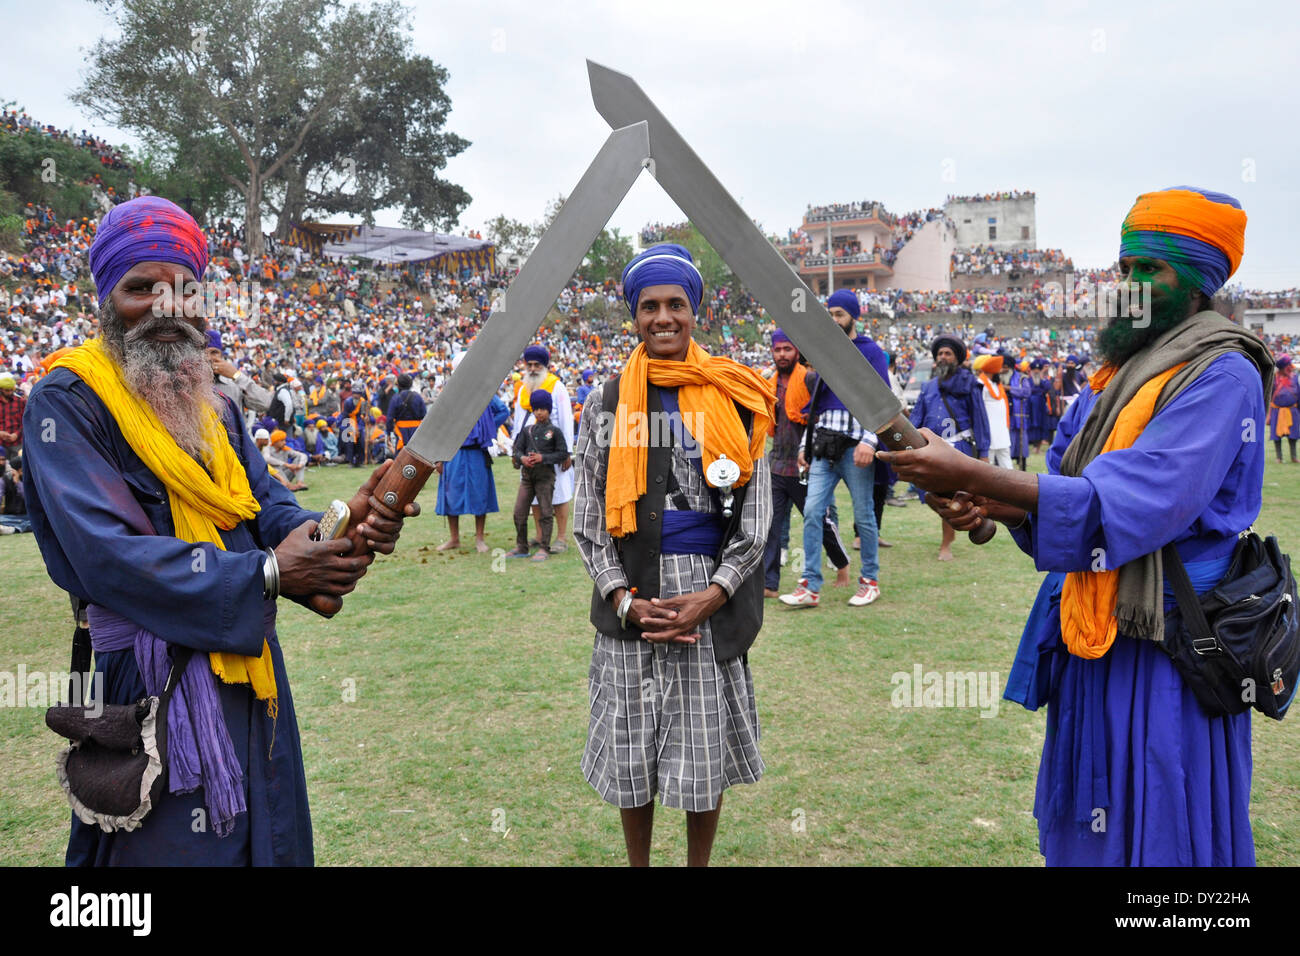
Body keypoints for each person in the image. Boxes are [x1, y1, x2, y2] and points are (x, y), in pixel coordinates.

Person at [880, 186, 1269, 866]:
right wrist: (989, 504)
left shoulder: (1224, 373)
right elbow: (1064, 483)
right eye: (1125, 268)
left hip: (1171, 643)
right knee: (1092, 830)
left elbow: (1134, 503)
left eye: (1153, 270)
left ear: (1200, 284)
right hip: (1097, 629)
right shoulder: (1112, 376)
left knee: (1166, 822)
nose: (1131, 285)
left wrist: (972, 475)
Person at [21, 195, 416, 866]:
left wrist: (338, 526)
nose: (166, 305)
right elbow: (108, 557)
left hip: (248, 674)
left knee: (263, 844)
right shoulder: (68, 401)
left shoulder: (213, 405)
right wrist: (268, 574)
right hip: (150, 682)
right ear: (105, 299)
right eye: (141, 287)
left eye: (184, 288)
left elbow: (267, 509)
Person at [573, 243, 773, 867]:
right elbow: (586, 517)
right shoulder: (608, 403)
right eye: (650, 306)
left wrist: (713, 596)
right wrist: (623, 600)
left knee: (701, 751)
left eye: (676, 305)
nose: (664, 318)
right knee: (632, 752)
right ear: (633, 316)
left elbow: (756, 514)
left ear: (695, 312)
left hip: (708, 598)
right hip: (633, 593)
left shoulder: (738, 396)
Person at [779, 290, 887, 609]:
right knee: (812, 511)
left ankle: (870, 580)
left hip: (856, 447)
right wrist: (805, 444)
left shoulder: (871, 352)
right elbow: (818, 406)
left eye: (840, 314)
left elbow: (881, 399)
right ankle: (810, 585)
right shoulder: (824, 352)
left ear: (854, 316)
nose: (834, 320)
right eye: (830, 314)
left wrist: (870, 441)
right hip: (824, 446)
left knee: (864, 515)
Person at [762, 328, 850, 598]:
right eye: (777, 350)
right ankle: (769, 584)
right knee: (771, 525)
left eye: (787, 349)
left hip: (805, 466)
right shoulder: (770, 383)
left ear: (797, 351)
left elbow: (823, 417)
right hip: (776, 465)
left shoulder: (810, 379)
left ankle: (842, 565)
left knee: (818, 520)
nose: (782, 354)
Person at [909, 335, 989, 561]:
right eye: (940, 354)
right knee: (933, 496)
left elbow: (980, 420)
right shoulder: (928, 387)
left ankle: (947, 543)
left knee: (949, 495)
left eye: (947, 354)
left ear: (956, 358)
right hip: (931, 451)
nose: (943, 357)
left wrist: (983, 454)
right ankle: (964, 524)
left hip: (959, 449)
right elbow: (916, 419)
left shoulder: (970, 384)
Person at [511, 346, 574, 551]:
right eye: (529, 364)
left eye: (537, 365)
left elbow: (566, 419)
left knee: (559, 494)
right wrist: (515, 449)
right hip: (529, 450)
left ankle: (561, 537)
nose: (532, 368)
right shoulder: (522, 388)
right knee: (535, 495)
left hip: (554, 449)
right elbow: (519, 420)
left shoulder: (556, 386)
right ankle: (540, 535)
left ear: (545, 366)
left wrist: (568, 452)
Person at [435, 390, 510, 553]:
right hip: (453, 451)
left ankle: (480, 538)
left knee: (479, 493)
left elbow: (504, 411)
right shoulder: (451, 391)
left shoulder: (484, 390)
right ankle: (454, 539)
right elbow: (440, 422)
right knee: (451, 494)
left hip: (477, 451)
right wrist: (438, 457)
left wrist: (487, 427)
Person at [508, 389, 568, 561]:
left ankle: (544, 547)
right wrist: (523, 458)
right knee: (519, 512)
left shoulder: (554, 431)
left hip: (545, 477)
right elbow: (517, 450)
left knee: (546, 512)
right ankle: (522, 546)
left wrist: (544, 458)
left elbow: (562, 453)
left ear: (549, 410)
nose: (539, 412)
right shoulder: (527, 430)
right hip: (527, 477)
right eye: (536, 409)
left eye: (543, 408)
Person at [973, 354, 1012, 469]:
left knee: (1005, 457)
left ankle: (1011, 482)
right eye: (997, 370)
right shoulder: (980, 384)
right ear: (992, 371)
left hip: (1002, 429)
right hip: (988, 429)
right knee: (988, 459)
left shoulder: (996, 384)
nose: (999, 373)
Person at [1267, 354, 1298, 463]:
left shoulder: (1294, 377)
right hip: (1277, 411)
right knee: (1277, 436)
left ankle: (1294, 457)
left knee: (1293, 436)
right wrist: (1268, 414)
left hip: (1292, 410)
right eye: (1288, 367)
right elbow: (1269, 396)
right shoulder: (1274, 379)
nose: (1290, 369)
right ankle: (1279, 457)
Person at [0, 371, 25, 456]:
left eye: (12, 390)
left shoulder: (20, 402)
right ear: (1, 389)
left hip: (17, 442)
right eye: (7, 390)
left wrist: (16, 434)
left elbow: (26, 421)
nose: (10, 392)